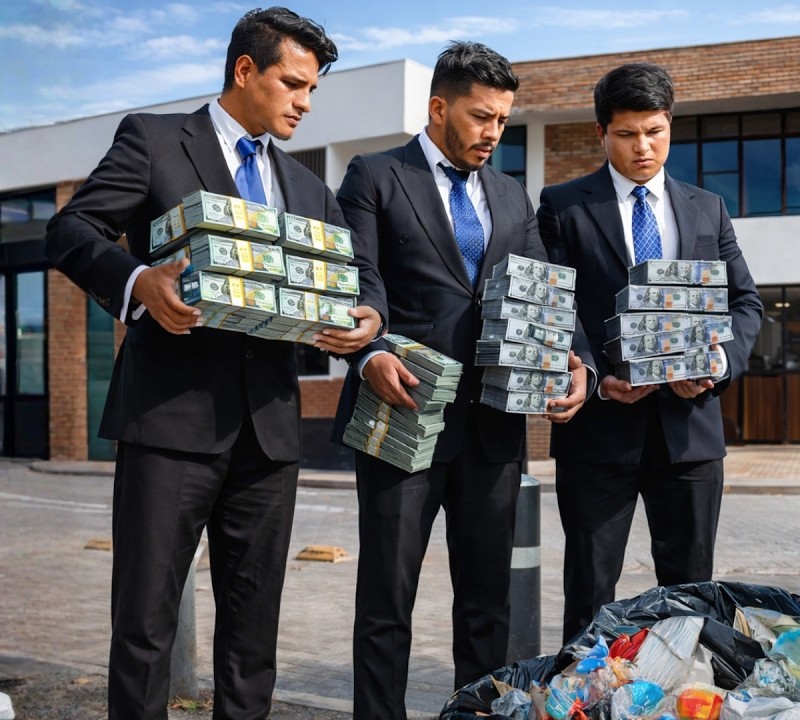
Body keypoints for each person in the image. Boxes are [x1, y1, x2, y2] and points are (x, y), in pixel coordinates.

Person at [43, 8, 383, 718]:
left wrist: (367, 318)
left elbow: (360, 274)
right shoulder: (156, 140)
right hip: (169, 423)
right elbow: (72, 228)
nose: (305, 103)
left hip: (270, 434)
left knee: (253, 636)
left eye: (313, 89)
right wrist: (140, 283)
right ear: (244, 70)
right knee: (144, 628)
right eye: (293, 83)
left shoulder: (308, 188)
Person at [331, 40, 594, 713]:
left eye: (503, 120)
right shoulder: (374, 175)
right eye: (481, 117)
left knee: (487, 606)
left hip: (494, 430)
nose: (493, 133)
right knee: (387, 603)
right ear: (439, 107)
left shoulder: (511, 195)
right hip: (403, 412)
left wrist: (575, 358)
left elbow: (545, 293)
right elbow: (358, 280)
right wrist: (369, 353)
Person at [537, 62, 764, 643]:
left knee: (691, 593)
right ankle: (580, 698)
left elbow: (746, 304)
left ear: (671, 126)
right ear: (601, 133)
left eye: (655, 131)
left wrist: (714, 366)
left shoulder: (706, 208)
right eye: (627, 133)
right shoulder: (563, 205)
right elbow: (554, 305)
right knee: (589, 588)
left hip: (689, 434)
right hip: (599, 431)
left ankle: (685, 693)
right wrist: (593, 371)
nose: (643, 147)